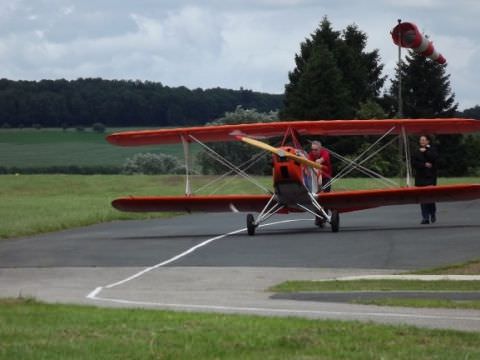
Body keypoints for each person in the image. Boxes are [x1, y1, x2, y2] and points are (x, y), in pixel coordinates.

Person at [412, 135, 438, 224]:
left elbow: (434, 159)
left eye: (423, 140)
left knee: (430, 197)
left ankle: (432, 213)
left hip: (430, 177)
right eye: (421, 140)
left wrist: (426, 151)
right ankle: (425, 218)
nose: (422, 141)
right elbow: (414, 163)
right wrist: (424, 165)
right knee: (423, 198)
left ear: (428, 141)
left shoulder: (432, 150)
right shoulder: (416, 151)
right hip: (420, 177)